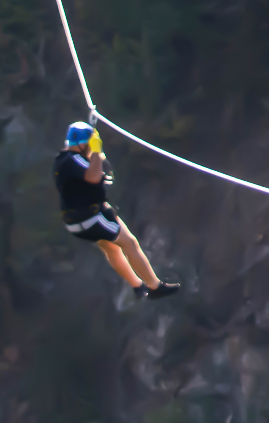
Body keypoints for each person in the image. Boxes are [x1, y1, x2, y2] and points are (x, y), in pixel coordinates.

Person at [56, 121, 178, 298]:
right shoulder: (74, 161)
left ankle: (137, 286)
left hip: (76, 221)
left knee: (112, 248)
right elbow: (93, 177)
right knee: (129, 243)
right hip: (91, 219)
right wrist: (96, 150)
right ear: (83, 145)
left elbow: (94, 175)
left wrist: (97, 154)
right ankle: (154, 287)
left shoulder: (63, 160)